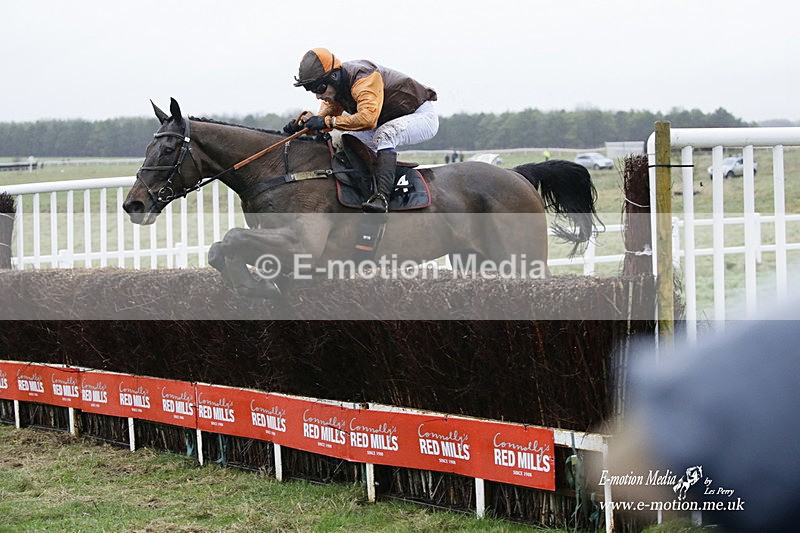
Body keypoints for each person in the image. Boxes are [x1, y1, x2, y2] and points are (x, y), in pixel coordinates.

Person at [286, 48, 438, 213]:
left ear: (333, 77)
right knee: (345, 138)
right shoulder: (336, 89)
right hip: (386, 120)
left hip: (420, 115)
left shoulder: (363, 78)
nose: (318, 96)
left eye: (319, 89)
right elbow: (324, 122)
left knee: (385, 135)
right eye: (312, 90)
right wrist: (303, 127)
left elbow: (368, 120)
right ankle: (365, 188)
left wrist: (326, 121)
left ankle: (382, 198)